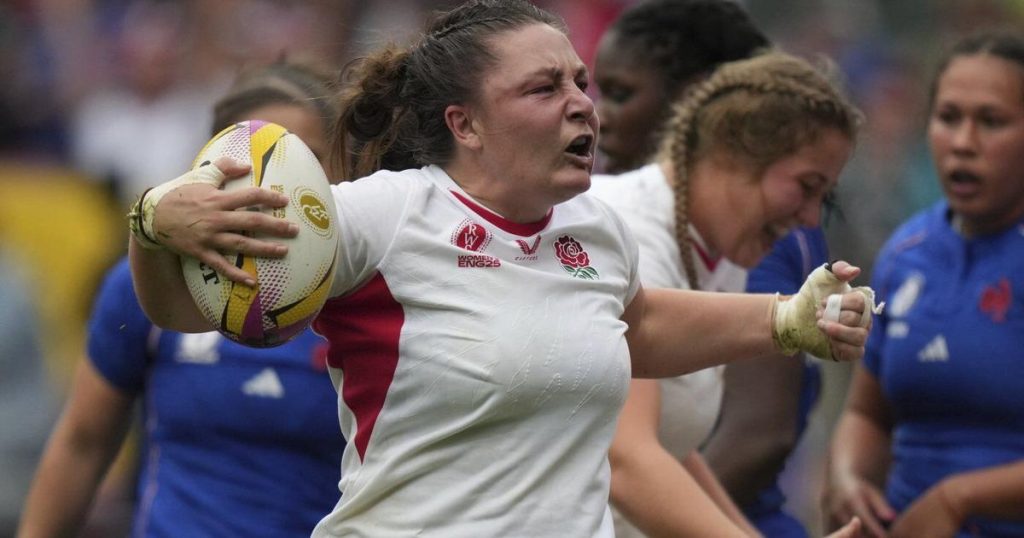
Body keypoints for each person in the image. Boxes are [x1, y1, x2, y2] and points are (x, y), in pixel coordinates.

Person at [125, 2, 874, 536]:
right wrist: (154, 225)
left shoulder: (596, 229)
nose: (582, 105)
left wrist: (785, 318)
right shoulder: (381, 216)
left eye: (579, 82)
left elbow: (637, 323)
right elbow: (185, 309)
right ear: (466, 124)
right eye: (545, 89)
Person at [17, 59, 346, 538]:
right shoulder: (146, 282)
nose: (272, 194)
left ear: (343, 170)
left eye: (303, 163)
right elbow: (83, 442)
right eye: (250, 170)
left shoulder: (367, 297)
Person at [591, 49, 861, 537]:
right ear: (733, 152)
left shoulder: (717, 248)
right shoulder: (629, 233)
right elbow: (627, 458)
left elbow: (673, 443)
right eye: (806, 186)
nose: (810, 217)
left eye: (824, 197)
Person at [824, 31, 1024, 538]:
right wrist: (847, 477)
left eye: (992, 121)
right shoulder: (907, 252)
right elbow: (867, 413)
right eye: (948, 117)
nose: (963, 142)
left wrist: (959, 499)